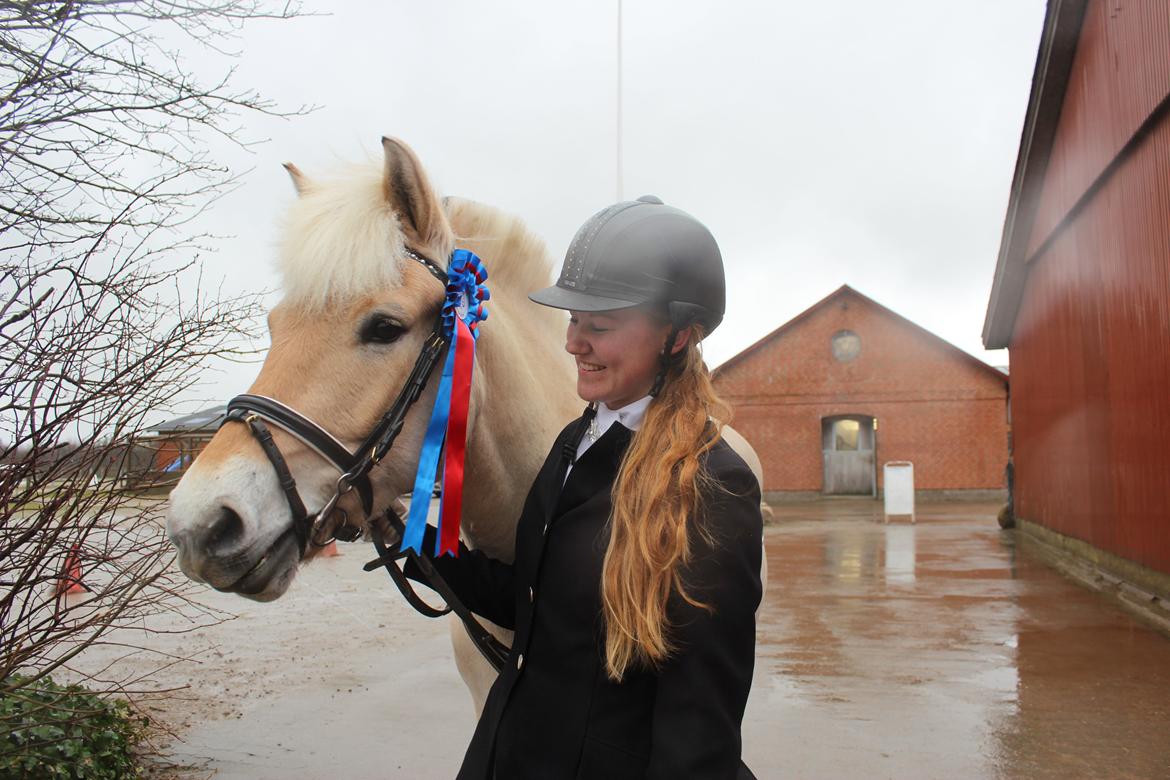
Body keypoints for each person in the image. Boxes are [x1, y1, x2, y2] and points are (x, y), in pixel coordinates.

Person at [408, 196, 763, 780]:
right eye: (574, 321)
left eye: (599, 326)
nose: (574, 342)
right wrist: (417, 541)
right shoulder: (575, 438)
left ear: (677, 337)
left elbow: (699, 726)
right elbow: (534, 604)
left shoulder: (712, 487)